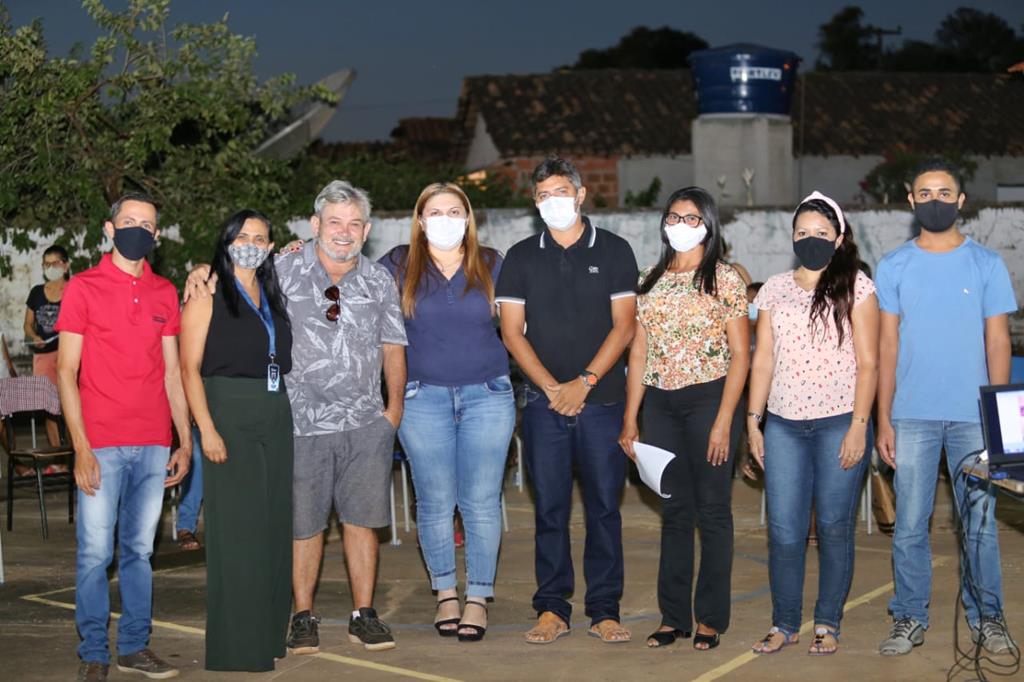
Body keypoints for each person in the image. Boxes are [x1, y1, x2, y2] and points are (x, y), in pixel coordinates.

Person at [186, 180, 408, 653]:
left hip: (365, 422)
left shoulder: (379, 280)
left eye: (354, 224)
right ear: (314, 224)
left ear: (367, 230)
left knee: (363, 521)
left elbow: (393, 347)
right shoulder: (282, 268)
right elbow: (232, 274)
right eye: (334, 222)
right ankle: (302, 615)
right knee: (303, 524)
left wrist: (392, 412)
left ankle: (364, 614)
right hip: (298, 422)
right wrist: (199, 271)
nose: (343, 232)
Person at [876, 159, 1017, 656]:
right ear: (910, 201)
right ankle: (909, 617)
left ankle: (988, 618)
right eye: (924, 193)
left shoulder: (986, 264)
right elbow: (887, 345)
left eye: (943, 192)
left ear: (960, 201)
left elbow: (998, 341)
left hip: (973, 418)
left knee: (979, 525)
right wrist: (883, 418)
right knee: (910, 525)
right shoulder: (893, 265)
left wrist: (999, 418)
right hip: (911, 415)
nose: (934, 200)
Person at [496, 156, 638, 645]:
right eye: (542, 195)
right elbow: (512, 333)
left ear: (580, 195)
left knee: (604, 509)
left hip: (602, 402)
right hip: (544, 405)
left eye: (560, 192)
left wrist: (585, 382)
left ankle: (604, 610)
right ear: (534, 203)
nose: (552, 202)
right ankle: (552, 608)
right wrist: (554, 389)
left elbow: (625, 326)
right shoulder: (520, 257)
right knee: (550, 510)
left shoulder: (615, 250)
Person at [55, 193, 191, 682]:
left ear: (156, 235)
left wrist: (184, 440)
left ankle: (134, 646)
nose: (138, 229)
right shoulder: (83, 287)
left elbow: (172, 373)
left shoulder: (164, 292)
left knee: (139, 551)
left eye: (147, 224)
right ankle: (93, 651)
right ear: (110, 229)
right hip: (101, 443)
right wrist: (80, 448)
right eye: (129, 221)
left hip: (153, 443)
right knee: (95, 554)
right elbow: (66, 372)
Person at [379, 182, 515, 642]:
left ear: (468, 217)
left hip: (488, 395)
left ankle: (477, 596)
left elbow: (524, 320)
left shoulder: (493, 262)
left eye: (454, 211)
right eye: (434, 212)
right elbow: (344, 280)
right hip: (422, 399)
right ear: (420, 220)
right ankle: (446, 594)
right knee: (435, 502)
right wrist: (298, 252)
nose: (445, 219)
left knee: (481, 501)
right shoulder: (398, 264)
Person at [746, 191, 879, 656]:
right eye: (802, 232)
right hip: (783, 425)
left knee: (835, 528)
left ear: (839, 238)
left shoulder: (857, 287)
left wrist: (860, 425)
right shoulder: (774, 289)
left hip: (839, 422)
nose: (810, 239)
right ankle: (784, 623)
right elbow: (763, 360)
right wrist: (753, 421)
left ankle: (827, 622)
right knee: (784, 531)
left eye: (821, 232)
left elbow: (870, 362)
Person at [619, 186, 750, 651]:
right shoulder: (648, 279)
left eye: (692, 218)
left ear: (708, 225)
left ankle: (710, 619)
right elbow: (639, 351)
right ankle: (672, 617)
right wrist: (631, 417)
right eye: (673, 217)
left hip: (710, 399)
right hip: (660, 403)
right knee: (674, 512)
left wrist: (725, 420)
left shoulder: (725, 279)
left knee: (712, 510)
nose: (681, 225)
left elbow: (740, 355)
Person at [179, 209, 294, 671]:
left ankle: (269, 636)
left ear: (270, 247)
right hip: (228, 412)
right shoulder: (207, 293)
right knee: (239, 533)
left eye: (260, 238)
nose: (250, 244)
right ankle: (237, 646)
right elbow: (188, 369)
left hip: (275, 412)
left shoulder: (272, 291)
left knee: (273, 529)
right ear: (227, 241)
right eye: (242, 236)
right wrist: (206, 429)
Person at [24, 244, 70, 448]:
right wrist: (34, 336)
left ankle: (75, 453)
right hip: (43, 355)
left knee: (70, 405)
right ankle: (57, 455)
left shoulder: (75, 290)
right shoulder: (36, 293)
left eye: (55, 263)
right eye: (47, 264)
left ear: (66, 266)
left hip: (68, 355)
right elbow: (27, 324)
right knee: (49, 407)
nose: (51, 268)